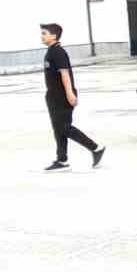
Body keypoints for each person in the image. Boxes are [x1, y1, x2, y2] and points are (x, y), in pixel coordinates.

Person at [38, 23, 104, 172]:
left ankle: (95, 148)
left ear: (53, 35)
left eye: (44, 33)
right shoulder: (51, 51)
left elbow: (65, 73)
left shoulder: (58, 52)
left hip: (62, 97)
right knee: (58, 128)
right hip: (53, 96)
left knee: (64, 128)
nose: (42, 36)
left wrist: (70, 93)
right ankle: (62, 160)